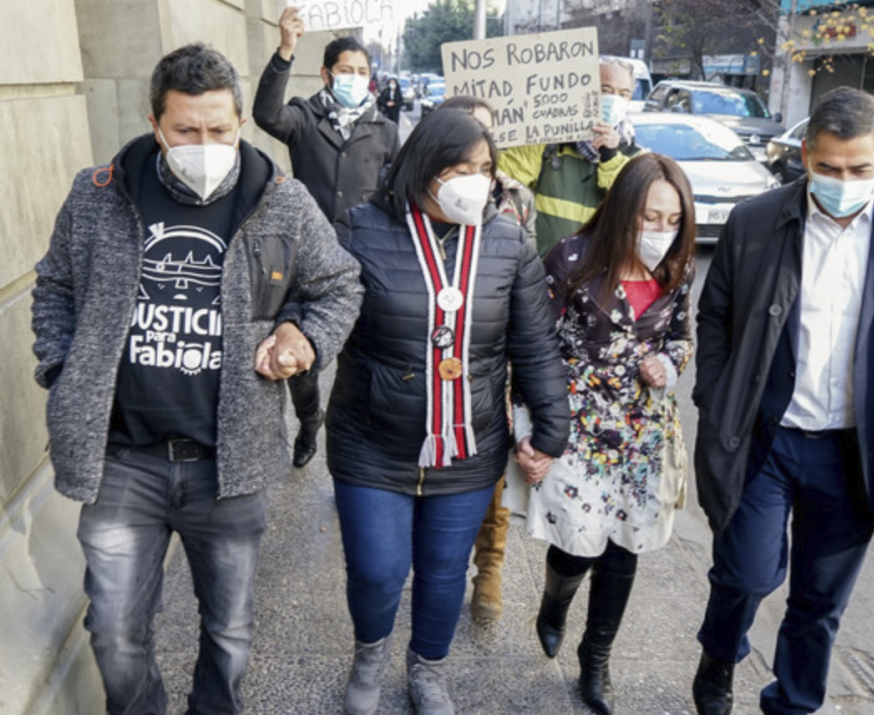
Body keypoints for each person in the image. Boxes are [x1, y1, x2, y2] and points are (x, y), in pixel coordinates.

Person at [31, 43, 363, 715]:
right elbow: (54, 287)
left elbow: (339, 285)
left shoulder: (281, 201)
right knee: (116, 632)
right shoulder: (98, 195)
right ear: (156, 125)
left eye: (219, 128)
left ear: (241, 119)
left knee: (231, 632)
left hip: (228, 463)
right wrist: (64, 369)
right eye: (186, 130)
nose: (205, 143)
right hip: (124, 459)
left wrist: (304, 335)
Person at [690, 87, 874, 715]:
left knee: (819, 601)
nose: (844, 181)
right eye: (830, 168)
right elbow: (717, 318)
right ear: (805, 156)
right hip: (765, 438)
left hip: (857, 451)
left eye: (861, 169)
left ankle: (792, 702)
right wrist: (716, 395)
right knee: (745, 575)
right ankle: (719, 653)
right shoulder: (756, 221)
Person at [327, 109, 571, 715]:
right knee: (379, 572)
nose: (476, 181)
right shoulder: (361, 229)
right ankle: (370, 657)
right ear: (423, 169)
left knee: (442, 574)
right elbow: (322, 311)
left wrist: (551, 426)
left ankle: (428, 669)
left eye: (485, 169)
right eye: (461, 168)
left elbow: (535, 343)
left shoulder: (509, 241)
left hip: (467, 444)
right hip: (373, 442)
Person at [527, 152, 698, 715]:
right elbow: (537, 345)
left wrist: (670, 363)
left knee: (626, 547)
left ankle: (595, 661)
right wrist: (533, 423)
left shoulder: (678, 266)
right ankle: (555, 602)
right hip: (577, 422)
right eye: (650, 217)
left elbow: (681, 334)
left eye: (672, 221)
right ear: (623, 207)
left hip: (641, 428)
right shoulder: (571, 260)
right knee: (578, 543)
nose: (660, 233)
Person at [253, 6, 400, 467]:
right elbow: (265, 113)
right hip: (305, 260)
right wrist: (284, 50)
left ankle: (361, 443)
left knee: (367, 352)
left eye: (362, 71)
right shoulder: (303, 117)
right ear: (326, 73)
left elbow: (396, 193)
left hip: (365, 259)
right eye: (345, 70)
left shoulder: (385, 130)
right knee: (302, 358)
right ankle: (310, 420)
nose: (354, 77)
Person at [431, 94, 538, 623]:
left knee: (491, 473)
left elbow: (529, 281)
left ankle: (489, 569)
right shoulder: (417, 193)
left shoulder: (516, 199)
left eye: (488, 137)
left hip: (491, 362)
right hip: (430, 360)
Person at [499, 57, 644, 256]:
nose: (614, 99)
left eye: (623, 93)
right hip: (542, 274)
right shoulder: (548, 145)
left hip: (598, 280)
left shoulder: (638, 158)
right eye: (605, 90)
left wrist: (610, 156)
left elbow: (636, 210)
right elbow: (504, 176)